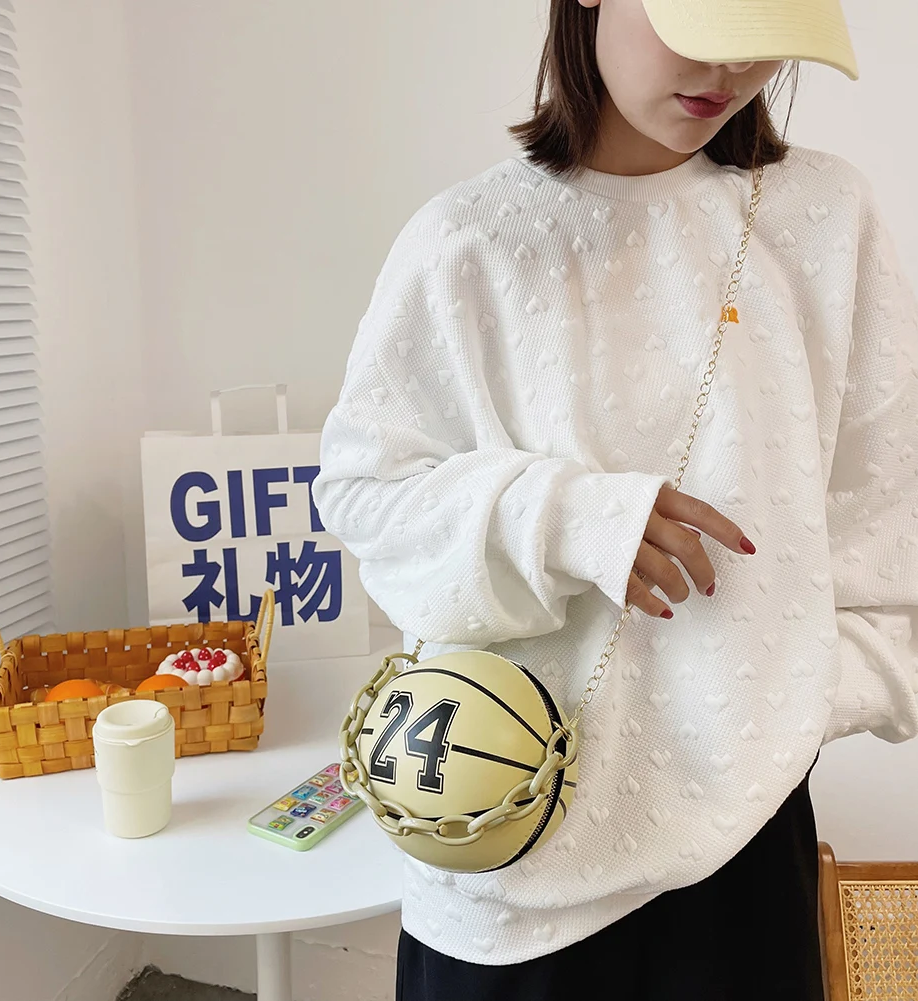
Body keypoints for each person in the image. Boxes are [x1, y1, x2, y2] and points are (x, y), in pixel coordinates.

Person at [313, 1, 918, 998]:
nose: (733, 68)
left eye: (764, 30)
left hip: (742, 847)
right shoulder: (468, 241)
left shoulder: (822, 220)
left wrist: (785, 701)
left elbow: (882, 517)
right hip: (503, 848)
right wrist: (564, 519)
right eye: (704, 18)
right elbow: (366, 495)